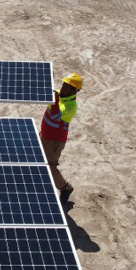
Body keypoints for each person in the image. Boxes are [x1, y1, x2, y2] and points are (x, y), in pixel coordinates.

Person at [41, 73, 82, 203]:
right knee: (37, 158)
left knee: (50, 167)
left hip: (54, 142)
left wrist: (54, 96)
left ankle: (65, 187)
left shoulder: (71, 106)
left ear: (74, 90)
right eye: (64, 83)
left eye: (67, 86)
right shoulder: (60, 94)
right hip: (44, 134)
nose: (63, 87)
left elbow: (54, 115)